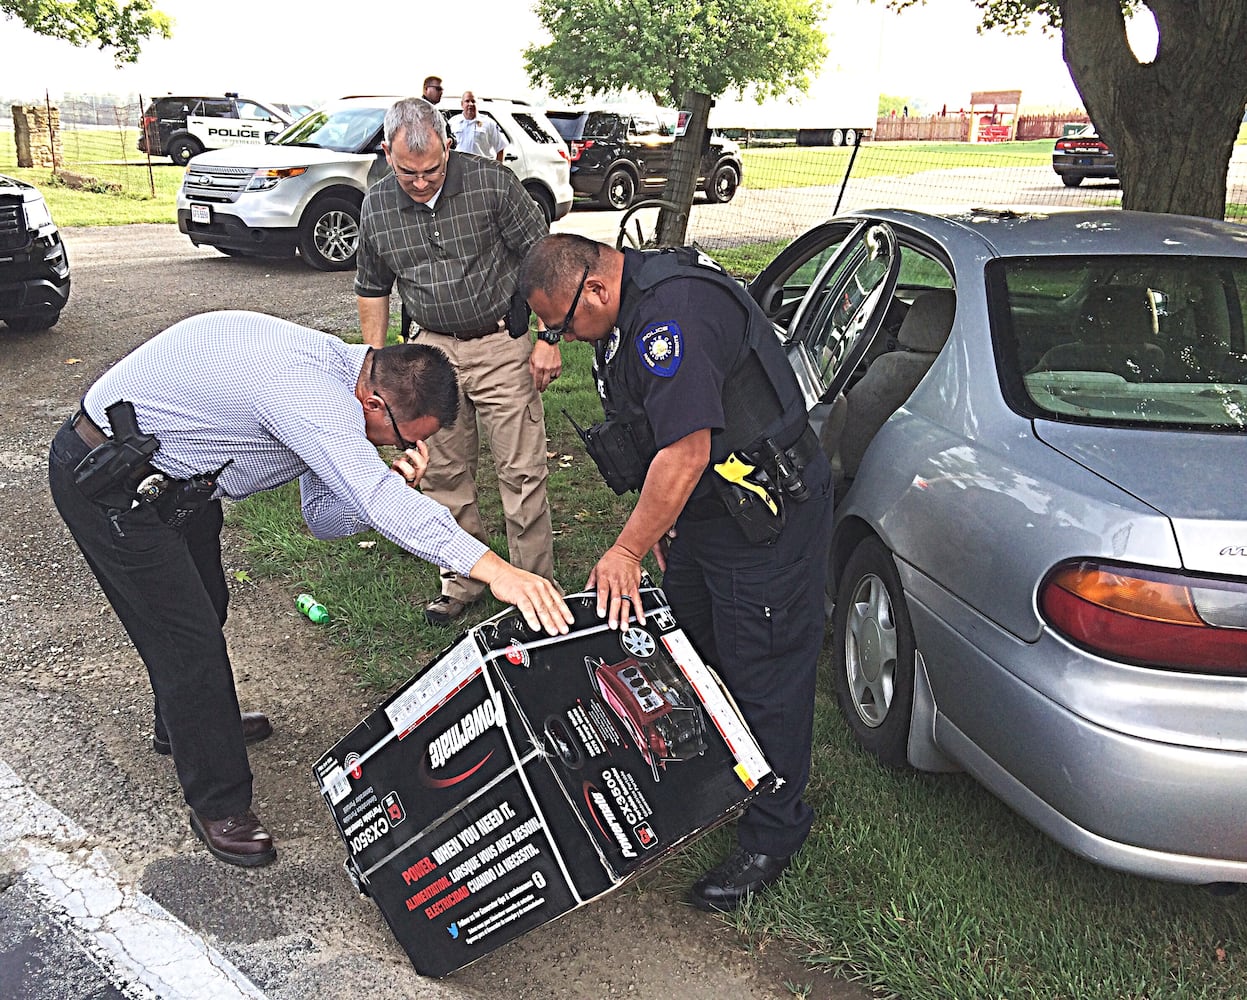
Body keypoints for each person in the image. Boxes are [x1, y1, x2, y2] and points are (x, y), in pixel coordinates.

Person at [47, 310, 573, 869]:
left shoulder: (343, 377)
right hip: (108, 482)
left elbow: (323, 516)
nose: (394, 445)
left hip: (176, 485)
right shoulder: (313, 394)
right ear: (377, 404)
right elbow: (376, 505)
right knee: (189, 645)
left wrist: (387, 478)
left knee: (207, 606)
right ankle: (218, 804)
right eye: (403, 437)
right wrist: (498, 571)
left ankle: (187, 726)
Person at [518, 234, 832, 912]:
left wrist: (626, 549)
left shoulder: (671, 317)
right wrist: (663, 526)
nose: (563, 338)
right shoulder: (627, 300)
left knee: (765, 669)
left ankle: (773, 833)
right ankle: (723, 774)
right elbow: (656, 436)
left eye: (564, 323)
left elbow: (685, 450)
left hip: (764, 517)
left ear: (595, 290)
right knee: (695, 647)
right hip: (711, 511)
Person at [356, 97, 560, 627]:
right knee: (443, 473)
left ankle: (534, 584)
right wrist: (373, 366)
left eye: (432, 171)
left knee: (521, 472)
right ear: (386, 153)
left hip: (499, 344)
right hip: (429, 352)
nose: (421, 183)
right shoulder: (376, 205)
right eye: (407, 172)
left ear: (448, 147)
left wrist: (549, 335)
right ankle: (463, 578)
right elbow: (373, 287)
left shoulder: (493, 184)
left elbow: (546, 258)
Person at [448, 91, 506, 162]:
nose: (470, 104)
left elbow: (500, 148)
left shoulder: (489, 123)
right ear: (462, 104)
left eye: (473, 101)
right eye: (467, 101)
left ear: (477, 104)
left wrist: (497, 170)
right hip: (459, 168)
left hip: (480, 169)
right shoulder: (453, 122)